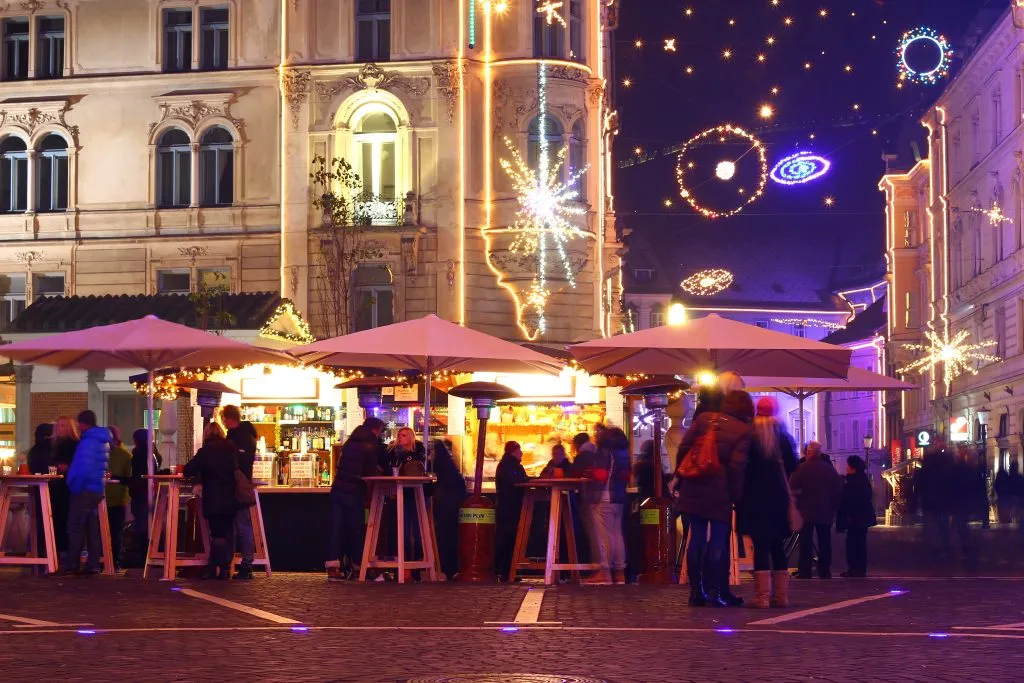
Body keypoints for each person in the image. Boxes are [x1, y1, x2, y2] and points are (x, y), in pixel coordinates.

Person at [675, 388, 753, 607]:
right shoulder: (743, 430)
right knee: (718, 541)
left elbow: (684, 448)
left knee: (696, 538)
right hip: (720, 490)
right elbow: (737, 467)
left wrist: (681, 476)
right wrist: (736, 495)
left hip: (694, 485)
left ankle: (695, 590)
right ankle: (714, 590)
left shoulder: (704, 418)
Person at [736, 397, 796, 608]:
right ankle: (782, 596)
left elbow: (740, 466)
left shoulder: (749, 437)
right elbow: (792, 466)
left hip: (754, 499)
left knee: (760, 546)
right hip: (778, 498)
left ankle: (762, 596)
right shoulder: (784, 438)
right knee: (778, 546)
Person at [326, 417, 385, 580]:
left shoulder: (350, 441)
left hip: (338, 489)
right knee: (356, 529)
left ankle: (333, 568)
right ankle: (359, 566)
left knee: (335, 529)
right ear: (376, 429)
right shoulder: (371, 443)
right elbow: (370, 471)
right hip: (354, 490)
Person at [573, 427, 631, 584]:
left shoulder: (604, 451)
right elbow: (624, 476)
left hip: (603, 497)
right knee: (616, 535)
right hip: (619, 497)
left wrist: (590, 474)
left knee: (603, 536)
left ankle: (604, 571)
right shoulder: (624, 452)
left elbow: (601, 475)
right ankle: (619, 573)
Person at [183, 422, 240, 580]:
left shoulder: (205, 451)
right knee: (228, 532)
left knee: (217, 534)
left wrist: (200, 476)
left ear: (207, 434)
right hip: (230, 495)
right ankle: (224, 568)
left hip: (214, 496)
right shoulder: (231, 447)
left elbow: (188, 469)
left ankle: (215, 567)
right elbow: (237, 467)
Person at [58, 411, 110, 576]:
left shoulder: (88, 442)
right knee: (91, 528)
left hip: (84, 488)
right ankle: (93, 564)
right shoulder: (102, 440)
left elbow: (83, 467)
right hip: (96, 489)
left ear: (81, 423)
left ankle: (71, 564)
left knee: (74, 527)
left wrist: (73, 484)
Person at [789, 441, 842, 579]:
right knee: (825, 542)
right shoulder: (829, 469)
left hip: (805, 511)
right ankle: (824, 571)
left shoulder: (801, 468)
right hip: (825, 511)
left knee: (805, 542)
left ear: (808, 453)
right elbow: (837, 489)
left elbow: (792, 487)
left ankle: (805, 571)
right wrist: (833, 506)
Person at [221, 405, 258, 580]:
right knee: (243, 525)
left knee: (240, 525)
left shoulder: (238, 438)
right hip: (241, 485)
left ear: (228, 419)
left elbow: (237, 463)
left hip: (236, 486)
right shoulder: (248, 435)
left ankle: (245, 564)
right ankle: (245, 563)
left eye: (224, 419)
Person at [431, 439, 467, 580]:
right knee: (451, 535)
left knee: (444, 535)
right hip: (452, 505)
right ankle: (449, 568)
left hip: (446, 506)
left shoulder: (440, 468)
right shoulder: (449, 468)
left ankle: (446, 568)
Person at [836, 455, 876, 578]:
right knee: (860, 543)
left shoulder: (851, 482)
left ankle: (854, 568)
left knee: (853, 543)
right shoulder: (864, 480)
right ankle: (859, 568)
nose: (846, 468)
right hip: (862, 518)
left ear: (853, 468)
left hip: (854, 518)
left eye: (848, 466)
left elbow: (847, 501)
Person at [916, 441, 956, 562]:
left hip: (929, 501)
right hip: (945, 501)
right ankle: (946, 549)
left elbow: (920, 483)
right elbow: (954, 484)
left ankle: (933, 551)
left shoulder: (928, 464)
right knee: (944, 526)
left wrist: (918, 498)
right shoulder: (949, 463)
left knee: (931, 527)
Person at [495, 441, 529, 582]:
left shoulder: (507, 464)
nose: (521, 453)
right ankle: (507, 572)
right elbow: (516, 480)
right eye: (519, 450)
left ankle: (507, 571)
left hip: (506, 507)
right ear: (513, 451)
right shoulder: (510, 465)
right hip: (510, 508)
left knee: (508, 538)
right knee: (509, 539)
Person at [128, 428, 161, 565]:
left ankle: (142, 557)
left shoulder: (139, 455)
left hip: (140, 493)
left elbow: (137, 476)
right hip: (148, 492)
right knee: (146, 524)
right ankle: (147, 555)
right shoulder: (153, 454)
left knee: (141, 524)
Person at [51, 416, 80, 559]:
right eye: (58, 425)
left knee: (64, 519)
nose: (58, 428)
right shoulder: (56, 444)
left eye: (62, 425)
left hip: (66, 487)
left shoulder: (71, 444)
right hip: (59, 486)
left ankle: (65, 552)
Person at [105, 426, 133, 572]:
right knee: (114, 533)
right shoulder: (125, 455)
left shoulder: (124, 456)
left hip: (114, 499)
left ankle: (113, 561)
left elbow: (129, 478)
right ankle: (113, 562)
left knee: (114, 533)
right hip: (108, 499)